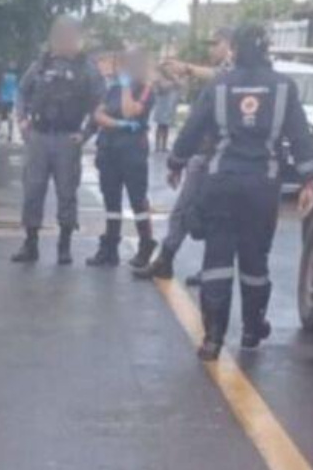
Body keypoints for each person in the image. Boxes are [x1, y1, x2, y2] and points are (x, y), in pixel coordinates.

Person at [167, 24, 313, 361]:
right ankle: (252, 330)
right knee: (255, 260)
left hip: (221, 182)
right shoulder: (283, 88)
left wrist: (176, 162)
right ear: (267, 50)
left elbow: (193, 127)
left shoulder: (219, 85)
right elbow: (300, 136)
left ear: (234, 49)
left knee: (217, 260)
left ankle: (213, 338)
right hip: (262, 187)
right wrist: (310, 180)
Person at [135, 27, 236, 283]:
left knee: (213, 216)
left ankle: (203, 268)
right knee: (183, 211)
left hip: (222, 157)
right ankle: (165, 259)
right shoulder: (221, 75)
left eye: (215, 43)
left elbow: (218, 75)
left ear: (228, 44)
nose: (211, 49)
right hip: (205, 154)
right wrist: (179, 160)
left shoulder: (235, 72)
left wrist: (187, 68)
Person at [11, 16, 104, 265]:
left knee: (67, 193)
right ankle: (30, 244)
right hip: (39, 137)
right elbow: (22, 91)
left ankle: (65, 246)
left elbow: (100, 105)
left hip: (67, 138)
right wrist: (22, 119)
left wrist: (85, 134)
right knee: (32, 191)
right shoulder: (41, 64)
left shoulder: (87, 68)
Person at [88, 48, 156, 268]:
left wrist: (126, 85)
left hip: (133, 151)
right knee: (111, 201)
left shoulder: (145, 89)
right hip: (109, 150)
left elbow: (130, 111)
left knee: (137, 200)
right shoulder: (113, 89)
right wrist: (117, 124)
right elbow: (98, 115)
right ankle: (109, 246)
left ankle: (146, 245)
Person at [151, 71, 180, 153]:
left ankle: (164, 146)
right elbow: (162, 88)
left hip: (169, 106)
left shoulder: (174, 77)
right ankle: (157, 146)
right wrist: (172, 82)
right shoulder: (160, 77)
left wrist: (174, 80)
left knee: (166, 126)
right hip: (161, 105)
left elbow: (180, 85)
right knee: (160, 126)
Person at [0, 66, 19, 143]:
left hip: (3, 99)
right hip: (12, 99)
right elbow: (17, 88)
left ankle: (0, 132)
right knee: (10, 116)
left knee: (1, 116)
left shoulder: (3, 77)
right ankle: (10, 133)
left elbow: (0, 87)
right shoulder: (14, 77)